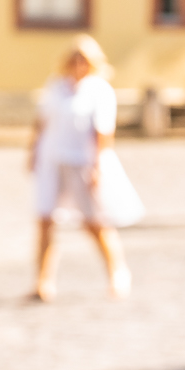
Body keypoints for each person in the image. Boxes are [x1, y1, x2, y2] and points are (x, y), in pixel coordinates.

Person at [27, 36, 135, 303]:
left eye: (83, 61)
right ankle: (43, 281)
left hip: (80, 161)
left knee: (93, 221)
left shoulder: (99, 90)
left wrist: (98, 166)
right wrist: (32, 151)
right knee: (45, 219)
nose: (78, 65)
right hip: (52, 158)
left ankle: (117, 272)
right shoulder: (56, 86)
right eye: (74, 60)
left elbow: (103, 134)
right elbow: (41, 122)